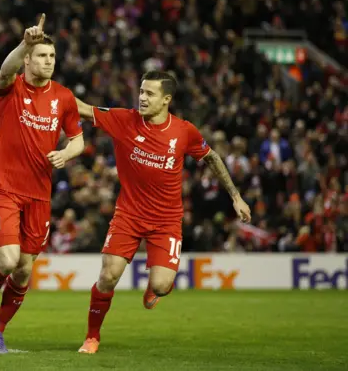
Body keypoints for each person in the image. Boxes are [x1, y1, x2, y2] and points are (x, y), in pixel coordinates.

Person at [74, 71, 252, 354]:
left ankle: (154, 288)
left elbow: (211, 158)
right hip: (128, 215)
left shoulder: (183, 131)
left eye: (150, 94)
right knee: (108, 275)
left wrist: (236, 196)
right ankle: (92, 337)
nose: (142, 98)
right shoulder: (124, 120)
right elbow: (81, 108)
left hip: (166, 221)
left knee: (161, 285)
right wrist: (44, 88)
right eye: (141, 92)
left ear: (167, 99)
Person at [0, 14, 85, 353]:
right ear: (28, 59)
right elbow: (4, 70)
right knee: (7, 261)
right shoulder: (12, 87)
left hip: (39, 194)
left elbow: (78, 140)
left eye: (51, 56)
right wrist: (26, 40)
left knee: (23, 271)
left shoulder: (64, 97)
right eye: (41, 55)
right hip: (5, 185)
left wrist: (67, 154)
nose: (48, 61)